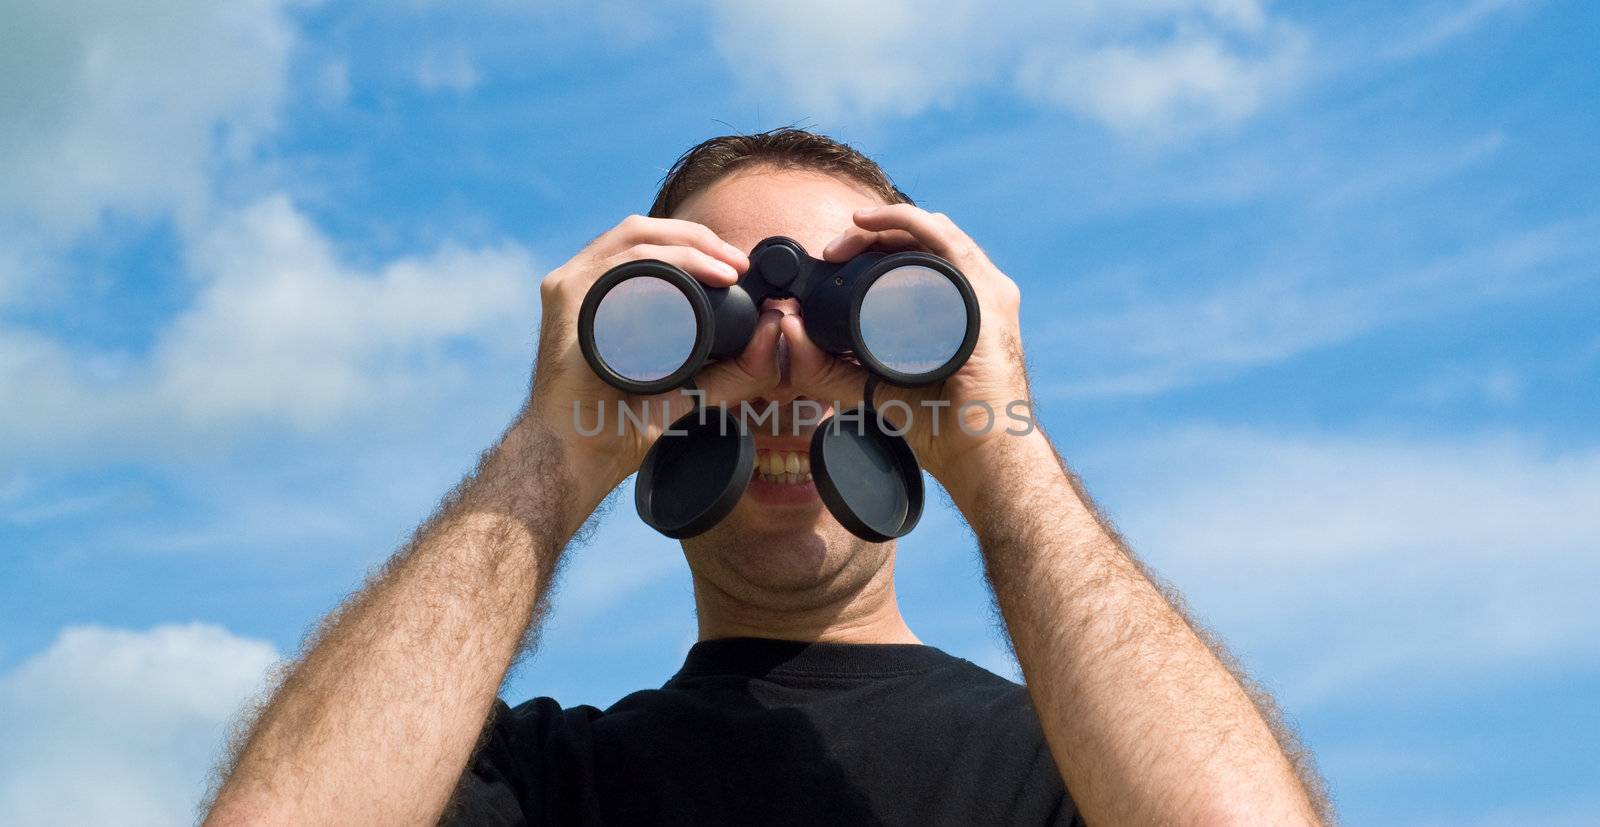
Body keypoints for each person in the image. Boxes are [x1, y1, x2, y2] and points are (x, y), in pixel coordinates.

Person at [205, 129, 1331, 826]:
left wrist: (1003, 442)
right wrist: (551, 442)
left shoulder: (1077, 767)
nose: (785, 354)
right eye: (723, 309)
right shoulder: (545, 779)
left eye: (854, 304)